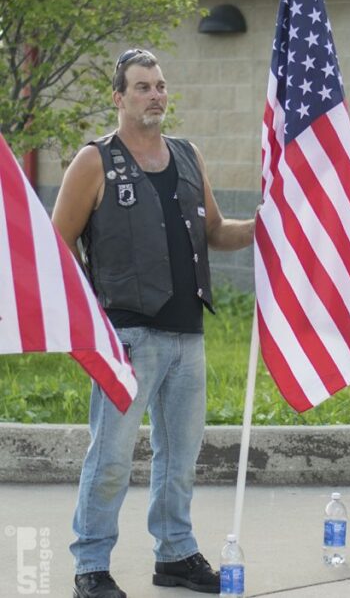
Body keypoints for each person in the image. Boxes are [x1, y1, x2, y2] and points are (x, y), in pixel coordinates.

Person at [52, 49, 255, 598]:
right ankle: (90, 566)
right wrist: (89, 311)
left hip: (189, 334)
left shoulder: (189, 155)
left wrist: (265, 224)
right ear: (118, 97)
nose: (156, 95)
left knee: (180, 458)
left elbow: (215, 230)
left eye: (161, 85)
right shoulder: (93, 160)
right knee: (112, 457)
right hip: (126, 337)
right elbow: (57, 242)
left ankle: (176, 555)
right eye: (143, 87)